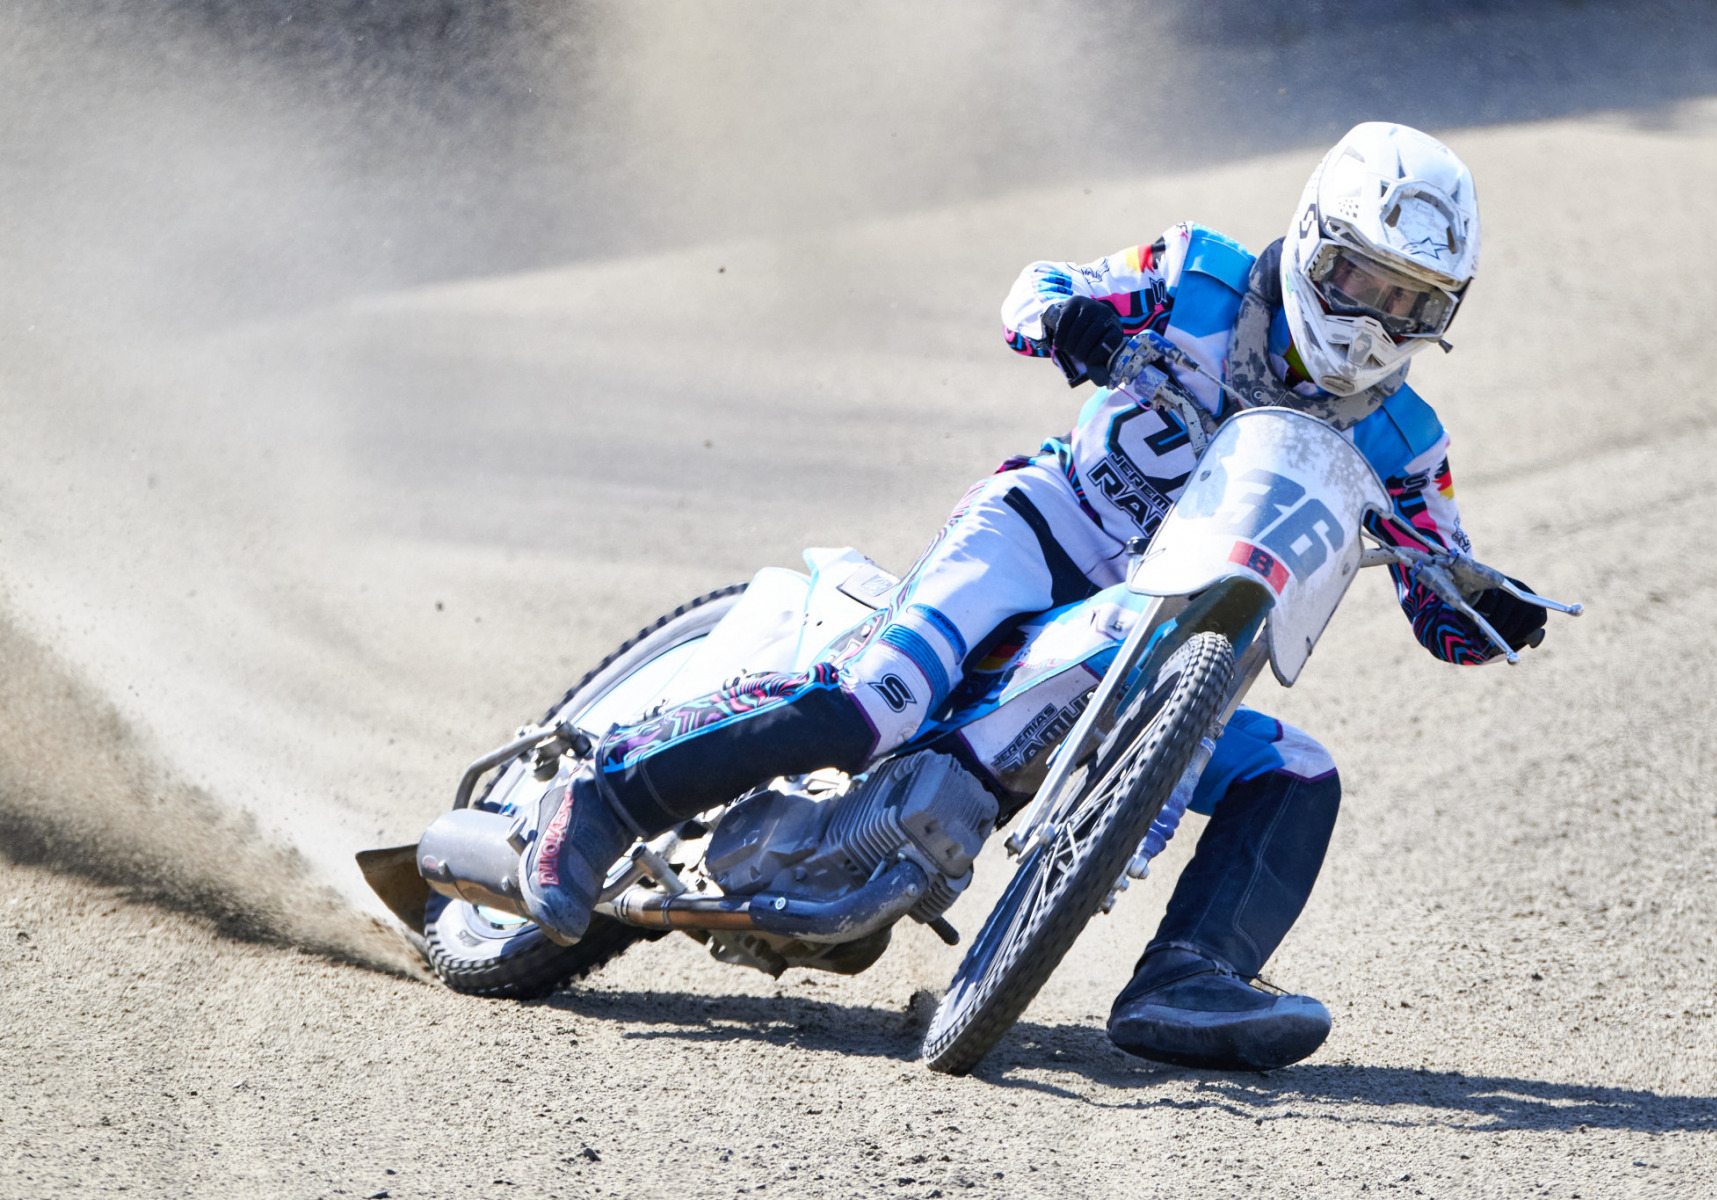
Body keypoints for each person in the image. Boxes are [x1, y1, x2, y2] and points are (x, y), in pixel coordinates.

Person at [469, 122, 1548, 1071]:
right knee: (876, 698)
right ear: (1313, 243)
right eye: (1362, 279)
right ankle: (605, 798)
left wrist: (1485, 610)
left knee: (1297, 773)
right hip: (1042, 531)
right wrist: (1076, 322)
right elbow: (1038, 289)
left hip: (1173, 634)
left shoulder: (1412, 442)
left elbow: (1441, 576)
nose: (1379, 319)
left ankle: (1189, 976)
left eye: (1414, 302)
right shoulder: (1199, 275)